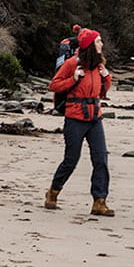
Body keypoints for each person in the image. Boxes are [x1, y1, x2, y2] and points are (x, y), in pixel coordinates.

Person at [46, 28, 116, 216]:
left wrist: (106, 76)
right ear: (90, 45)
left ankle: (99, 202)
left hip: (95, 118)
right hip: (75, 118)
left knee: (101, 159)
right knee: (71, 160)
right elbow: (54, 85)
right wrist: (73, 78)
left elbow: (102, 92)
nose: (101, 44)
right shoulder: (72, 63)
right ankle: (53, 192)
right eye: (99, 41)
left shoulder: (99, 64)